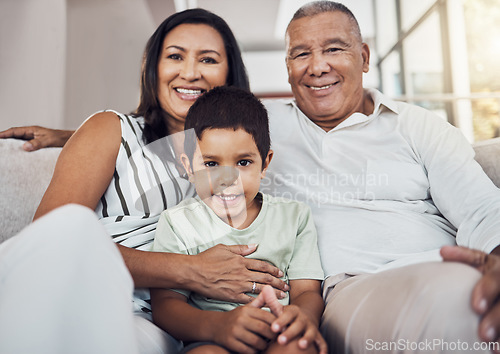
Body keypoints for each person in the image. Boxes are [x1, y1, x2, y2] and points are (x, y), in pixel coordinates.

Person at [5, 1, 500, 352]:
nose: (317, 67)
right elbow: (151, 139)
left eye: (208, 60)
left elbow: (482, 210)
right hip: (336, 287)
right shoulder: (137, 131)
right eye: (301, 53)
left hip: (187, 316)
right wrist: (77, 136)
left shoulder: (412, 127)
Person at [0, 8, 288, 354]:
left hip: (181, 323)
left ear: (230, 74)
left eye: (208, 59)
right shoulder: (113, 130)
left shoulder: (247, 161)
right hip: (104, 300)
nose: (190, 72)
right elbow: (51, 240)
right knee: (70, 227)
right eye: (175, 56)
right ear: (153, 69)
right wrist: (192, 270)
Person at [150, 86, 326, 354]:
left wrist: (304, 318)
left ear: (265, 164)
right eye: (211, 164)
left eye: (243, 163)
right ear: (188, 167)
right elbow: (166, 305)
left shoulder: (294, 217)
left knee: (297, 348)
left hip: (278, 333)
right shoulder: (177, 223)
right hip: (211, 338)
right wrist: (217, 326)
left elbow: (306, 292)